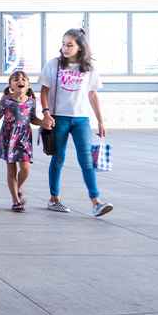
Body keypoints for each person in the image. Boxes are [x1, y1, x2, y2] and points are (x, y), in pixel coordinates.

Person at [38, 29, 114, 217]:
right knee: (58, 158)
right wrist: (46, 114)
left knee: (86, 160)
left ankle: (96, 202)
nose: (65, 48)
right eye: (63, 43)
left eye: (70, 44)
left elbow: (93, 95)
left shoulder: (89, 68)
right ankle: (54, 199)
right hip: (59, 118)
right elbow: (44, 91)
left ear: (80, 47)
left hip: (81, 120)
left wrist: (101, 121)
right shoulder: (54, 65)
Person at [0, 70, 44, 211]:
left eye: (23, 79)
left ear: (28, 85)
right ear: (10, 86)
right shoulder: (6, 100)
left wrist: (43, 122)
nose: (20, 81)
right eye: (16, 79)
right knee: (11, 169)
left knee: (25, 169)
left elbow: (33, 118)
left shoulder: (31, 102)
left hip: (24, 138)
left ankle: (19, 187)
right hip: (8, 137)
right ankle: (16, 200)